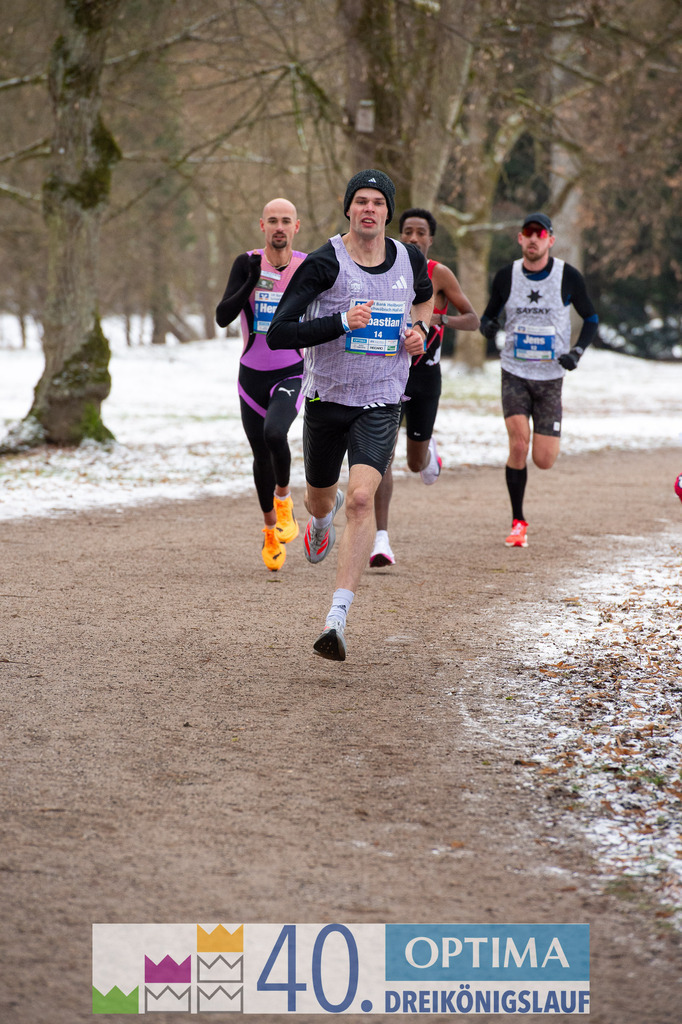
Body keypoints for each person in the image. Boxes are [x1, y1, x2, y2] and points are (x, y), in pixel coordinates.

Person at [267, 170, 434, 661]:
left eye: (378, 202)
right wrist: (341, 322)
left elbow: (423, 298)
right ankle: (322, 518)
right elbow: (279, 333)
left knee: (363, 498)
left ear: (387, 211)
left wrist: (421, 332)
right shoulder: (324, 263)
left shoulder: (409, 259)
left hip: (383, 397)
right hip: (327, 399)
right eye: (360, 201)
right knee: (322, 500)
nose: (369, 209)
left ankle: (336, 618)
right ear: (348, 209)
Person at [480, 212, 599, 548]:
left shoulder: (567, 277)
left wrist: (576, 352)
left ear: (550, 239)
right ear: (520, 239)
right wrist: (488, 329)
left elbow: (591, 317)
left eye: (540, 234)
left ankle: (546, 442)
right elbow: (489, 316)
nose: (533, 239)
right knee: (518, 443)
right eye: (527, 234)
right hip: (515, 372)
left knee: (543, 460)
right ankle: (518, 521)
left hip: (551, 377)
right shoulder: (507, 276)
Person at [370, 207, 480, 568]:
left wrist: (439, 317)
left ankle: (427, 451)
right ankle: (381, 540)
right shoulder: (384, 267)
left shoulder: (439, 274)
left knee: (415, 464)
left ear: (431, 239)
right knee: (381, 457)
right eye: (407, 232)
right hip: (388, 375)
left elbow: (473, 318)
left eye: (420, 232)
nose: (413, 238)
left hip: (425, 379)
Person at [215, 198, 306, 571]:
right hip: (251, 374)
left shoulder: (307, 266)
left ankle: (283, 499)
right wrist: (251, 280)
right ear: (262, 226)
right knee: (259, 455)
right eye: (273, 221)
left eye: (286, 221)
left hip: (292, 370)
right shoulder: (246, 262)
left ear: (296, 227)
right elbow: (222, 316)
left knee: (275, 434)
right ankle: (270, 528)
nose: (279, 227)